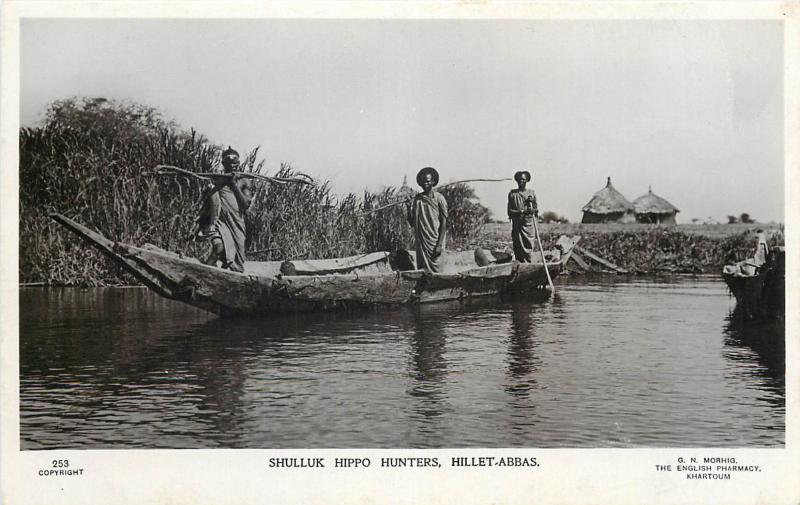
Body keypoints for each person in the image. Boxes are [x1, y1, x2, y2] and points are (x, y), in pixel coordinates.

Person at [196, 147, 253, 272]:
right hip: (220, 222)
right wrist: (210, 188)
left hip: (236, 224)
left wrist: (233, 184)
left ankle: (225, 273)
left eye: (235, 162)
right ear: (224, 164)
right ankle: (204, 272)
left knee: (236, 261)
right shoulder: (218, 179)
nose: (233, 165)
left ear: (239, 163)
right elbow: (209, 198)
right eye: (229, 163)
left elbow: (246, 204)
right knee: (219, 248)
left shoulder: (244, 181)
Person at [406, 167, 448, 272]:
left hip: (435, 241)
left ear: (433, 182)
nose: (426, 184)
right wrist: (408, 208)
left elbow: (443, 223)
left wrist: (439, 245)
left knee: (438, 270)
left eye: (428, 182)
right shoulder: (418, 199)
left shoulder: (440, 199)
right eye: (423, 182)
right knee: (423, 272)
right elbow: (412, 223)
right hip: (422, 243)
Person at [507, 170, 538, 262]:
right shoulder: (513, 194)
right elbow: (510, 210)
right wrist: (521, 211)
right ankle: (520, 264)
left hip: (528, 224)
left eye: (524, 179)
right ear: (516, 180)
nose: (522, 181)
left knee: (528, 245)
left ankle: (528, 263)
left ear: (527, 180)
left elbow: (536, 210)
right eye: (520, 179)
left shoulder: (531, 193)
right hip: (517, 224)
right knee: (517, 245)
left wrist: (532, 210)